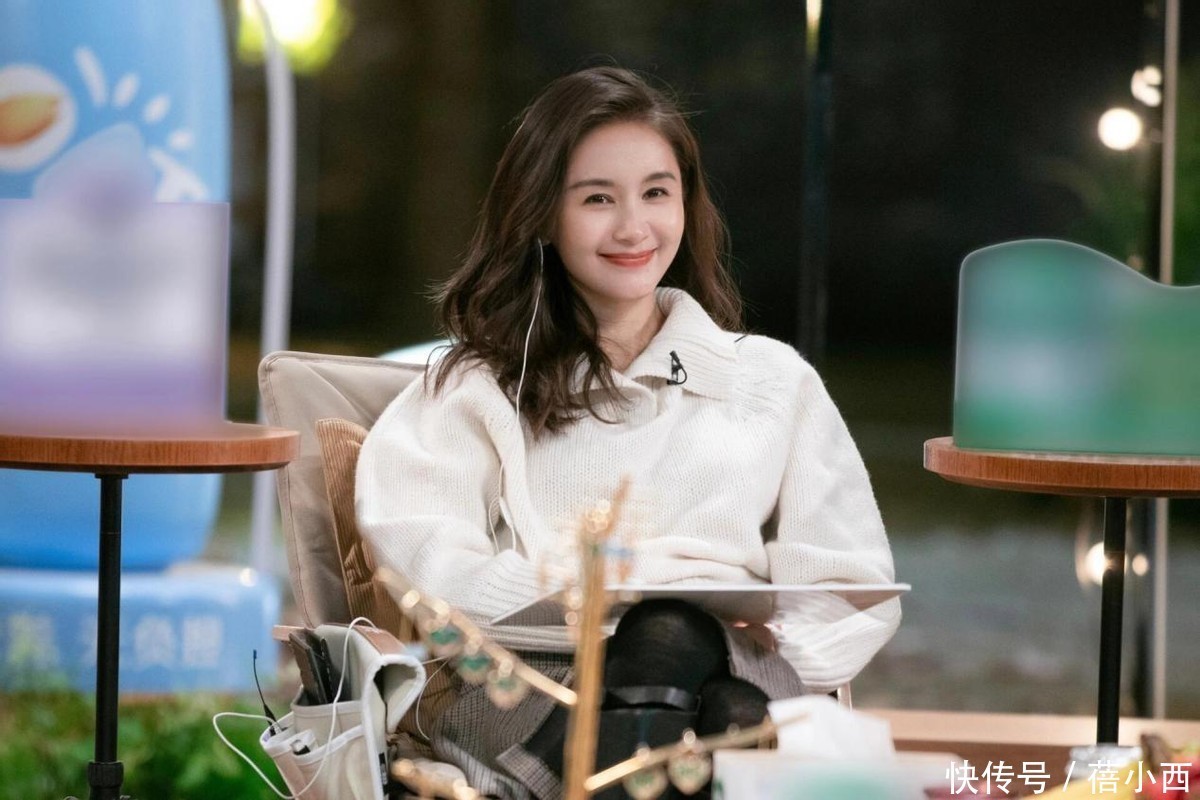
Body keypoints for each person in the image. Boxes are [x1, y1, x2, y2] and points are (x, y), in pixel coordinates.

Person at [356, 65, 900, 799]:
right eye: (597, 199)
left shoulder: (773, 381)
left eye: (656, 193)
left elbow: (850, 585)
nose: (633, 227)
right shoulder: (478, 385)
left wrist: (765, 643)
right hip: (532, 698)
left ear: (687, 203)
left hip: (736, 673)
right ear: (541, 212)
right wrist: (598, 603)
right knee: (692, 665)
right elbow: (428, 563)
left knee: (693, 653)